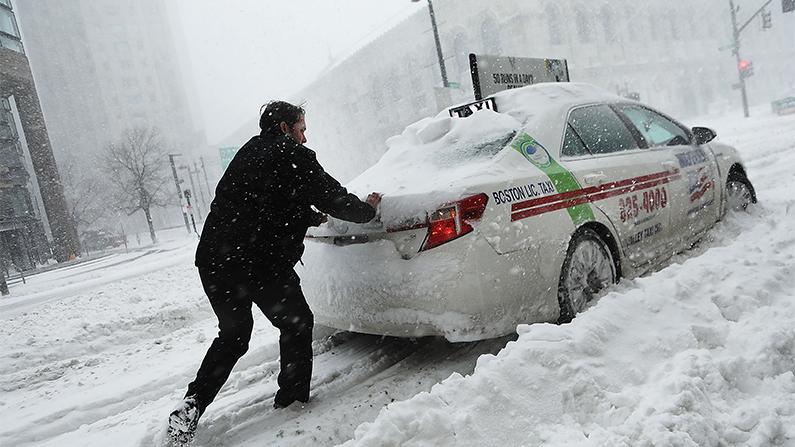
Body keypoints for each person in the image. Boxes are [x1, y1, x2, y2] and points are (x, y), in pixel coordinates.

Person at [167, 101, 379, 442]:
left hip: (216, 261)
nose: (305, 138)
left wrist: (308, 217)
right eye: (302, 129)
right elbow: (333, 198)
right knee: (296, 322)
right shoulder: (293, 155)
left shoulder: (248, 152)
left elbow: (262, 202)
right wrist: (367, 211)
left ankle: (190, 408)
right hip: (259, 263)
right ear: (284, 127)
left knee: (233, 336)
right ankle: (293, 398)